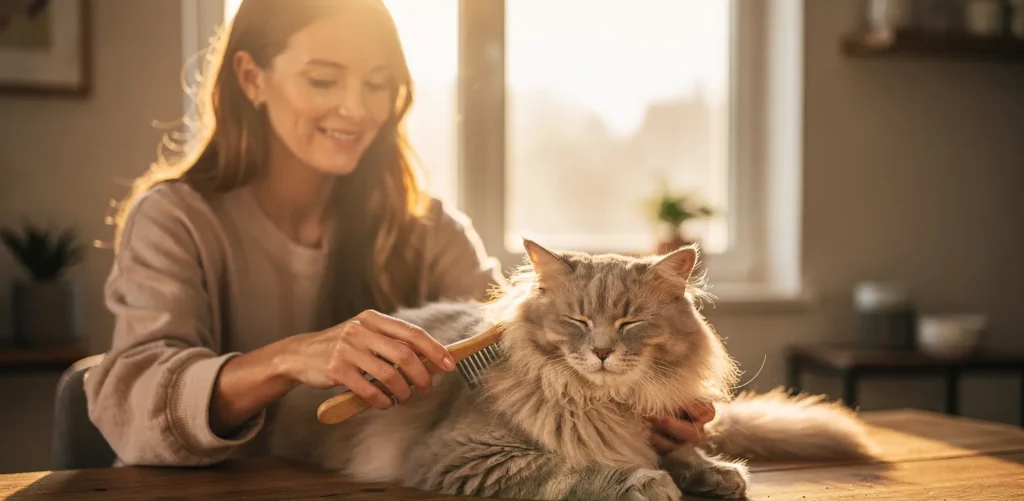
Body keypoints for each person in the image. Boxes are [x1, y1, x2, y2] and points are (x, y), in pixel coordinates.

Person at [84, 0, 714, 468]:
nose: (357, 109)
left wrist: (640, 408)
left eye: (379, 82)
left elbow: (502, 362)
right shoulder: (175, 217)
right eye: (324, 79)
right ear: (252, 79)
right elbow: (130, 402)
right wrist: (288, 360)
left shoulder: (428, 226)